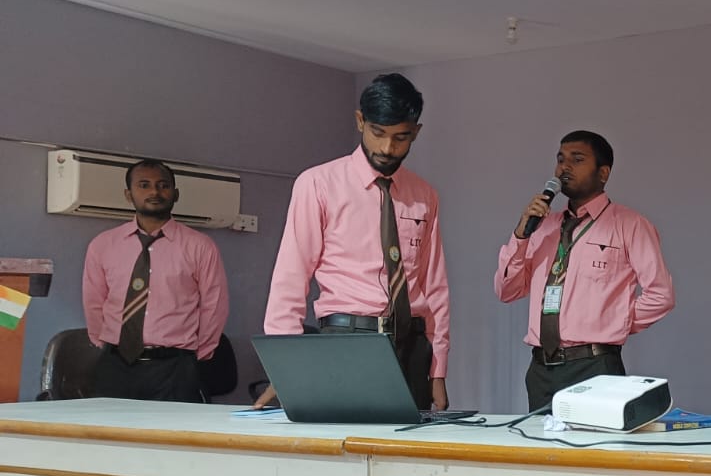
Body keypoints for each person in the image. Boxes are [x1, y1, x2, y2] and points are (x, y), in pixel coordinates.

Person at [258, 73, 451, 409]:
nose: (388, 149)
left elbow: (434, 286)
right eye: (378, 133)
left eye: (401, 138)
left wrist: (438, 369)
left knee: (410, 454)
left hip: (412, 344)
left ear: (416, 132)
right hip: (347, 340)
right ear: (360, 121)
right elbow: (290, 277)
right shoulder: (318, 184)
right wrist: (283, 366)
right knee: (345, 449)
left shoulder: (424, 195)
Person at [494, 129, 674, 412]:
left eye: (577, 160)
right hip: (542, 368)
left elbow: (661, 295)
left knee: (592, 453)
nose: (565, 167)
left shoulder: (630, 225)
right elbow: (507, 291)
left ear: (603, 173)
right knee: (544, 453)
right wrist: (521, 233)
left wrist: (616, 322)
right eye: (560, 159)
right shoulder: (543, 226)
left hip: (594, 366)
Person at [82, 159, 229, 401]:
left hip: (175, 367)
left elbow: (214, 306)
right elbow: (94, 301)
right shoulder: (102, 245)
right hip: (115, 364)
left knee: (172, 438)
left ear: (176, 194)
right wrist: (106, 346)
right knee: (111, 436)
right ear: (129, 195)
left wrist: (197, 355)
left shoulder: (200, 246)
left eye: (163, 185)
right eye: (144, 185)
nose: (154, 192)